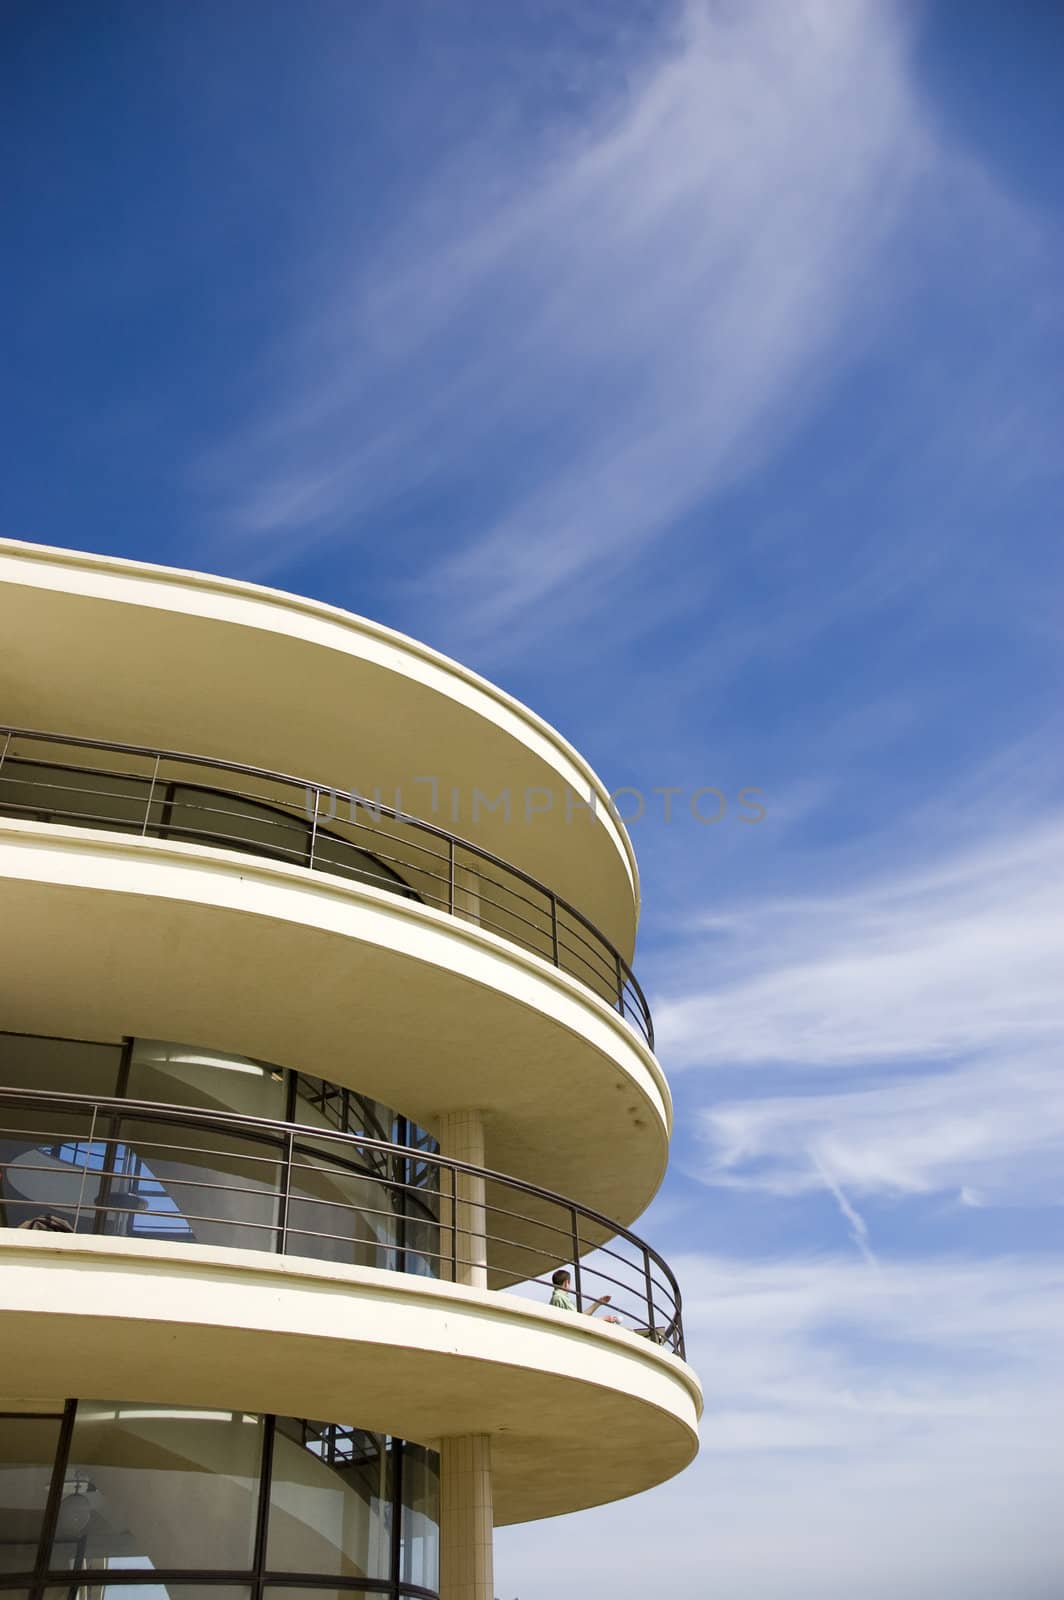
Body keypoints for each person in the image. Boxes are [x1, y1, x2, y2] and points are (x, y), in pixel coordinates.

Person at [549, 1267, 619, 1323]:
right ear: (566, 1283)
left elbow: (581, 1318)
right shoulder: (561, 1298)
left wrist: (598, 1303)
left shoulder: (555, 1298)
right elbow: (580, 1320)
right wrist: (603, 1319)